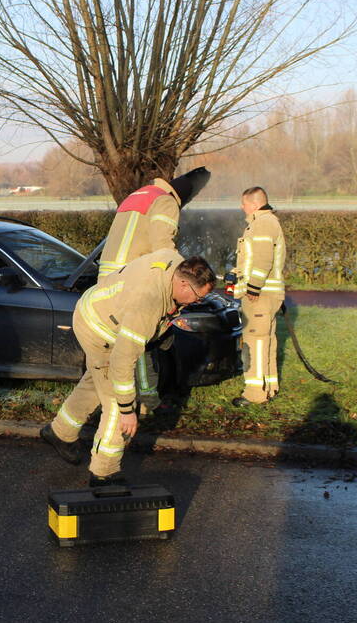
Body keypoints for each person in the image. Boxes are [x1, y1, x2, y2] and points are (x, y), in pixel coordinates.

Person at [41, 250, 216, 485]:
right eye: (197, 297)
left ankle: (60, 431)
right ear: (183, 283)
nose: (197, 302)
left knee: (97, 381)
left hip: (96, 307)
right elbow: (123, 359)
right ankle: (104, 473)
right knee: (115, 401)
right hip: (99, 330)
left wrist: (162, 330)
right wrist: (127, 410)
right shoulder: (147, 303)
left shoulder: (175, 261)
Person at [97, 167, 211, 407]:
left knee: (126, 340)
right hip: (133, 278)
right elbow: (163, 248)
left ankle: (131, 397)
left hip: (111, 277)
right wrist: (189, 273)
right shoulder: (167, 202)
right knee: (142, 336)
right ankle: (147, 400)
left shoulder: (139, 194)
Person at [232, 187, 286, 405]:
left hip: (261, 294)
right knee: (267, 339)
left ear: (254, 204)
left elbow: (263, 259)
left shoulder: (263, 223)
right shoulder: (264, 221)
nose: (241, 207)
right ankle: (270, 387)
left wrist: (253, 287)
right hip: (268, 292)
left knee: (255, 341)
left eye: (243, 203)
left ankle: (255, 394)